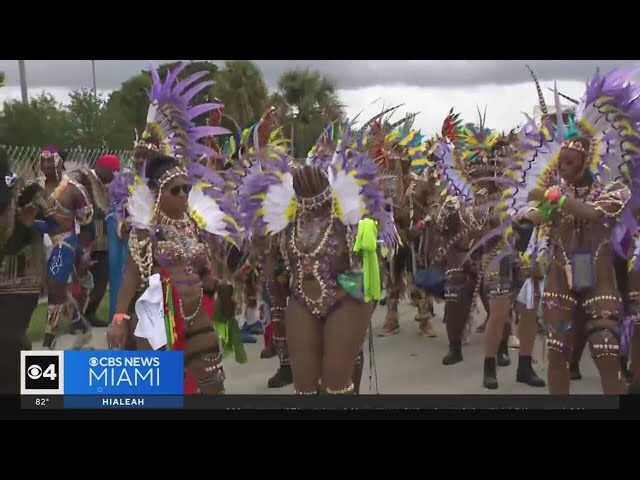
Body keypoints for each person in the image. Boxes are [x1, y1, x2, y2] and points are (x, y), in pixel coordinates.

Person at [240, 132, 391, 394]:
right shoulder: (286, 223)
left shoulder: (350, 218)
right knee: (305, 386)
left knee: (335, 381)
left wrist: (358, 305)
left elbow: (371, 270)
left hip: (345, 298)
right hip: (301, 301)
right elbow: (271, 270)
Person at [0, 148, 57, 392]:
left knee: (10, 337)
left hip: (20, 279)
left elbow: (58, 221)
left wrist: (31, 223)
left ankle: (28, 391)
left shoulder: (26, 190)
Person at [37, 146, 94, 349]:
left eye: (49, 160)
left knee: (55, 287)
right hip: (41, 242)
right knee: (56, 290)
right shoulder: (36, 187)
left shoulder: (74, 189)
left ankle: (48, 336)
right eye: (42, 161)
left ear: (60, 162)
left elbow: (87, 220)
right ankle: (78, 319)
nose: (45, 165)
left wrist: (86, 251)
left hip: (65, 242)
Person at [69, 154, 120, 329]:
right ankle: (76, 319)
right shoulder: (81, 179)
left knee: (102, 280)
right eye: (112, 172)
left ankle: (90, 314)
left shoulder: (108, 184)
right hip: (84, 240)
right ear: (101, 168)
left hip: (104, 242)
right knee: (82, 281)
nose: (114, 176)